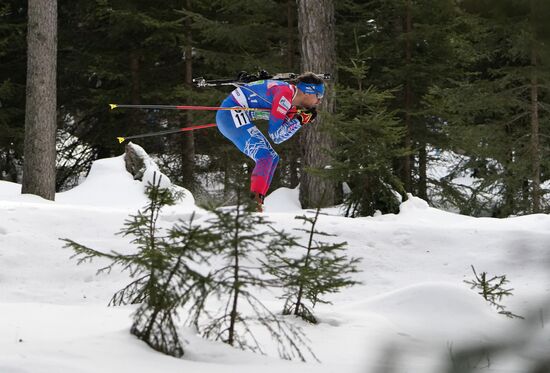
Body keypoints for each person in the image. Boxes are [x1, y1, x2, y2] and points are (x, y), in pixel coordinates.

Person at [215, 72, 325, 211]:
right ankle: (254, 205)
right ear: (308, 92)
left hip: (236, 114)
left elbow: (282, 130)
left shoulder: (289, 100)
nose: (319, 102)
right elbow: (276, 136)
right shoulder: (285, 95)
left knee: (272, 157)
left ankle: (258, 202)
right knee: (264, 156)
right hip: (230, 114)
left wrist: (297, 119)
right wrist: (299, 121)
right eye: (319, 96)